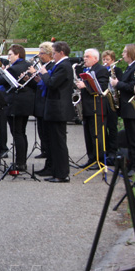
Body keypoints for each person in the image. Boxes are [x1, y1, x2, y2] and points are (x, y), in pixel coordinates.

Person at [38, 41, 75, 182]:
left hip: (58, 108)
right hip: (54, 108)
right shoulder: (60, 65)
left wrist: (44, 73)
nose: (52, 56)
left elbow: (53, 83)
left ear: (61, 52)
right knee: (54, 141)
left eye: (54, 53)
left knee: (59, 142)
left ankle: (62, 173)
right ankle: (55, 170)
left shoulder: (64, 66)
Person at [0, 44, 36, 172]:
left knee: (17, 133)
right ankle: (22, 161)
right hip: (26, 104)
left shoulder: (13, 69)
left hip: (15, 104)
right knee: (21, 133)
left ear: (17, 55)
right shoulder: (27, 65)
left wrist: (4, 70)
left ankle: (20, 163)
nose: (8, 57)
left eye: (10, 55)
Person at [110, 43, 135, 176]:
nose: (123, 54)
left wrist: (117, 84)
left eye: (125, 52)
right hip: (126, 107)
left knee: (134, 138)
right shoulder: (130, 67)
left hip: (133, 107)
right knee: (130, 137)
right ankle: (131, 163)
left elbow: (134, 86)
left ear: (131, 53)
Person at [74, 49, 110, 170]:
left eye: (87, 56)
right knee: (88, 135)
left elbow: (102, 87)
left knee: (97, 135)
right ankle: (91, 158)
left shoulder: (101, 70)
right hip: (87, 107)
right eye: (84, 56)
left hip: (97, 107)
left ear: (95, 58)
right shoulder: (86, 70)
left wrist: (85, 85)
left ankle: (99, 160)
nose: (85, 59)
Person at [33, 42, 56, 176]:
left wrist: (41, 77)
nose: (39, 56)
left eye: (42, 53)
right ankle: (48, 161)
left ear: (49, 54)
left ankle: (50, 164)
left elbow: (49, 83)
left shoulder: (51, 66)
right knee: (43, 133)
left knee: (48, 135)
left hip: (47, 103)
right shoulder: (45, 66)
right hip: (41, 103)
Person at [101, 50, 123, 164]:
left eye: (107, 60)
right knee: (103, 127)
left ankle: (113, 150)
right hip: (104, 100)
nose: (105, 62)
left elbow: (119, 83)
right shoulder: (101, 70)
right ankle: (105, 149)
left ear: (113, 60)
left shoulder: (117, 70)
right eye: (104, 59)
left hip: (113, 101)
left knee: (112, 127)